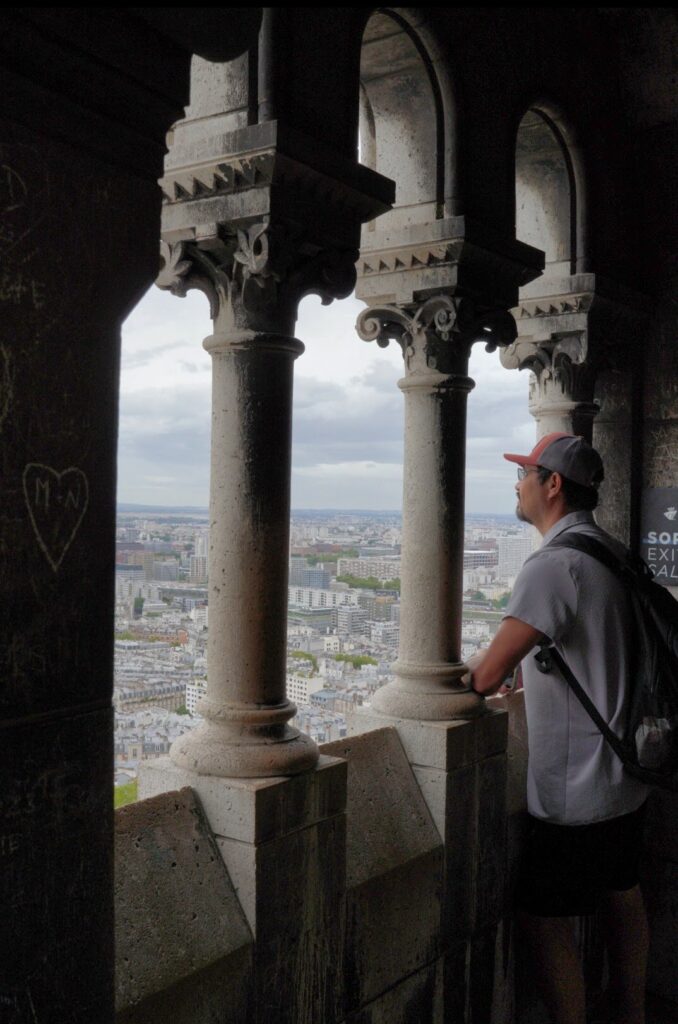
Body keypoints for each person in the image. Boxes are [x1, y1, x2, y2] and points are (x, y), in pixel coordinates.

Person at [466, 432, 649, 1024]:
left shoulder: (553, 567)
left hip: (578, 790)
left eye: (524, 474)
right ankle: (631, 1011)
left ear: (551, 486)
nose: (516, 485)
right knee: (622, 897)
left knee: (541, 918)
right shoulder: (612, 552)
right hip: (629, 773)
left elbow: (486, 675)